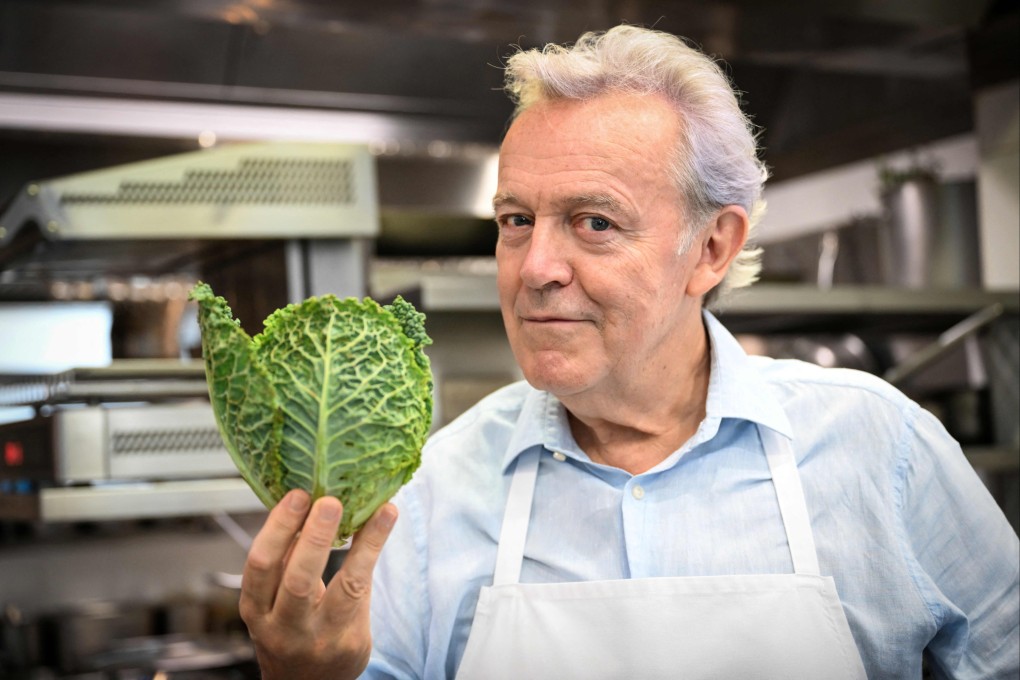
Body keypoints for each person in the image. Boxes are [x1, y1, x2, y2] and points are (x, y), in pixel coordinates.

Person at [238, 25, 1020, 679]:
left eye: (595, 223)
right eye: (516, 220)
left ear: (711, 247)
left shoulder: (882, 450)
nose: (536, 267)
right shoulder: (438, 487)